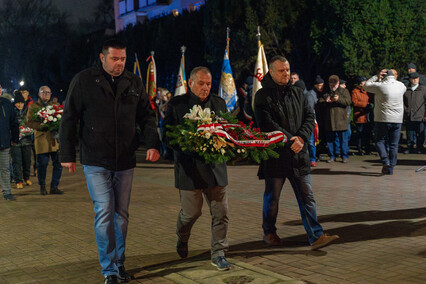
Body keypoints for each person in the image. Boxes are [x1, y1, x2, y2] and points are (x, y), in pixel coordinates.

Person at [59, 39, 160, 284]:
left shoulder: (133, 82)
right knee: (104, 211)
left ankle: (119, 262)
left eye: (123, 59)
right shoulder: (84, 80)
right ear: (103, 58)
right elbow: (69, 118)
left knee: (121, 215)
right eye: (115, 59)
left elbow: (147, 116)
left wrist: (153, 143)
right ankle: (109, 270)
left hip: (125, 159)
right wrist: (67, 155)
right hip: (96, 159)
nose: (119, 63)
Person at [253, 56, 339, 250]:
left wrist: (301, 138)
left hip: (299, 155)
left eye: (288, 70)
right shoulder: (262, 95)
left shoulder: (299, 93)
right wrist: (291, 140)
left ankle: (316, 236)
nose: (286, 74)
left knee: (307, 196)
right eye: (281, 71)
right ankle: (269, 232)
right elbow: (266, 124)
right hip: (275, 156)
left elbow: (310, 117)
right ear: (271, 72)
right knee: (272, 197)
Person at [162, 66, 231, 271]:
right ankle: (182, 236)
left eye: (208, 84)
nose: (205, 88)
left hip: (215, 170)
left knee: (222, 213)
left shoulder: (219, 103)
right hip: (189, 170)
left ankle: (219, 253)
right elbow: (167, 136)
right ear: (190, 83)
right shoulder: (177, 105)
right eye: (201, 83)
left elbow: (228, 130)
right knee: (191, 214)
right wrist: (188, 143)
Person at [364, 69, 406, 175]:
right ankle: (391, 168)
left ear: (384, 76)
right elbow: (404, 89)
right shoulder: (401, 86)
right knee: (394, 144)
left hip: (382, 119)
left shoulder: (380, 86)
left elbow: (365, 85)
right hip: (397, 119)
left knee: (379, 141)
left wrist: (376, 76)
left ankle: (385, 161)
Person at [26, 86, 63, 195]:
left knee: (58, 164)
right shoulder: (33, 107)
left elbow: (61, 118)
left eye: (48, 92)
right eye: (44, 92)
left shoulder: (55, 106)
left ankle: (54, 186)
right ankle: (42, 186)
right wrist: (42, 125)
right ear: (39, 93)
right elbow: (29, 122)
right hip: (41, 139)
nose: (46, 94)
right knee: (42, 164)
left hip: (54, 140)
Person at [318, 75, 352, 163]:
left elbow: (348, 102)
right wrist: (326, 101)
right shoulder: (327, 92)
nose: (332, 86)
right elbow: (320, 102)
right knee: (330, 140)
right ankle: (332, 156)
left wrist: (338, 99)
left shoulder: (344, 91)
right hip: (330, 121)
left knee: (343, 140)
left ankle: (344, 156)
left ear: (338, 83)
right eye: (330, 85)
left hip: (341, 121)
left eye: (334, 85)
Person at [10, 92, 33, 189]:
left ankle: (26, 177)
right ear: (14, 103)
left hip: (26, 141)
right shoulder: (11, 112)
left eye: (21, 103)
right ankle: (18, 180)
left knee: (27, 160)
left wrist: (27, 131)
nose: (19, 105)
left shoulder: (28, 112)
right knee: (16, 161)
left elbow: (31, 125)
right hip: (15, 142)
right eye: (17, 103)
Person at [0, 84, 19, 200]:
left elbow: (14, 122)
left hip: (4, 142)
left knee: (5, 169)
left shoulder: (6, 103)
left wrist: (15, 138)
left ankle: (7, 192)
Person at [403, 72, 426, 154]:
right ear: (410, 79)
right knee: (409, 133)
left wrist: (425, 114)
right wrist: (406, 110)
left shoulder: (423, 89)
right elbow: (403, 102)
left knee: (420, 133)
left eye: (416, 78)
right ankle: (410, 147)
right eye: (413, 78)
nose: (415, 80)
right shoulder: (406, 89)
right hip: (409, 115)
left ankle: (420, 147)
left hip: (420, 116)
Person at [351, 76, 374, 155]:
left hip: (367, 116)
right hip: (359, 116)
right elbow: (355, 102)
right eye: (364, 81)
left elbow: (372, 100)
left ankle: (368, 149)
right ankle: (359, 149)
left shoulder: (368, 91)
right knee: (359, 133)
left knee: (367, 133)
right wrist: (365, 105)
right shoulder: (355, 91)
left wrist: (371, 105)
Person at [306, 76, 324, 166]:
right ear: (316, 85)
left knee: (313, 140)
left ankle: (314, 157)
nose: (322, 87)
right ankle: (312, 159)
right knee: (311, 140)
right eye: (320, 85)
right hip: (312, 120)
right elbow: (310, 109)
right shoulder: (310, 95)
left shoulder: (318, 93)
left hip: (318, 119)